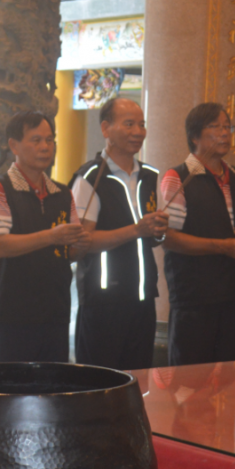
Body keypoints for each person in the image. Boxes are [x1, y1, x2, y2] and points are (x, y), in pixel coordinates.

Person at [160, 102, 235, 366]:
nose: (224, 133)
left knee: (229, 374)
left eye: (227, 127)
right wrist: (222, 246)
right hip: (195, 295)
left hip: (234, 291)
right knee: (190, 378)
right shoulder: (178, 177)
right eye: (215, 127)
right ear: (194, 136)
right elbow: (168, 237)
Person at [0, 111, 90, 363]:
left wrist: (82, 245)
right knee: (11, 384)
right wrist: (51, 236)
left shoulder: (63, 193)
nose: (45, 147)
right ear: (14, 146)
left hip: (55, 312)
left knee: (53, 383)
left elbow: (70, 252)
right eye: (36, 140)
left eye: (50, 140)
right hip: (11, 314)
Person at [71, 98, 167, 371]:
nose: (138, 131)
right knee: (100, 379)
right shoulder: (90, 177)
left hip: (143, 296)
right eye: (129, 124)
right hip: (103, 300)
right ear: (106, 128)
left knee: (138, 377)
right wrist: (137, 230)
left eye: (141, 124)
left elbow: (151, 238)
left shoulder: (149, 176)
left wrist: (158, 231)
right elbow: (81, 242)